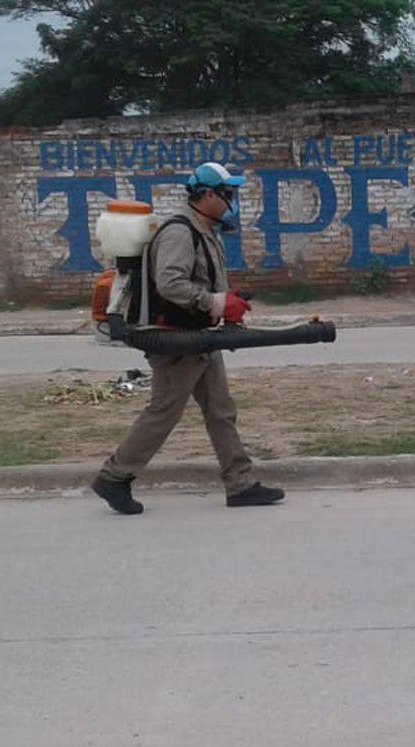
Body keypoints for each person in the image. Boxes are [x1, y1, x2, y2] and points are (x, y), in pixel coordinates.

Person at [89, 162, 285, 515]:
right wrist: (215, 302)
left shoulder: (205, 229)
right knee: (164, 411)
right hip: (176, 339)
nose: (231, 201)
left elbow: (200, 282)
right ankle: (114, 476)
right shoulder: (180, 232)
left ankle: (240, 484)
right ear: (207, 195)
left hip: (200, 337)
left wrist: (227, 299)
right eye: (227, 194)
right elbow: (170, 282)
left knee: (221, 410)